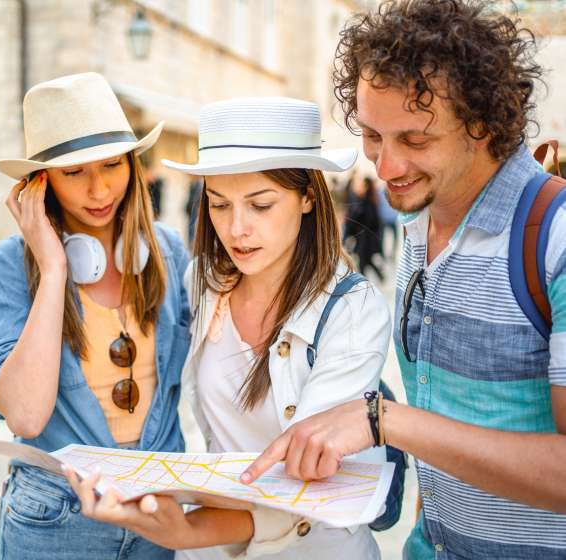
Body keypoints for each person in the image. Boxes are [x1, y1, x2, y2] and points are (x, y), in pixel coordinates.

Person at [241, 1, 566, 558]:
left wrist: (383, 420)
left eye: (415, 141)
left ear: (483, 123)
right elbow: (448, 431)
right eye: (371, 135)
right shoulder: (422, 223)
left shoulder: (553, 238)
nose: (385, 166)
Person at [64, 96, 392, 559]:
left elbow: (309, 489)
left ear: (307, 198)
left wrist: (189, 531)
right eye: (218, 205)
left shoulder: (354, 311)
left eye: (260, 205)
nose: (237, 229)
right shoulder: (201, 281)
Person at [0, 73, 191, 560]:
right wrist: (53, 268)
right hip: (56, 516)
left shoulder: (167, 252)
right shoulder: (9, 266)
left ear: (134, 166)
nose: (99, 190)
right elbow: (26, 416)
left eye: (112, 165)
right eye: (74, 172)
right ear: (40, 183)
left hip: (154, 508)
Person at [344, 176, 385, 281]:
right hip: (363, 240)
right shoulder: (366, 201)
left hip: (366, 240)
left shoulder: (367, 203)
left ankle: (364, 285)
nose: (359, 187)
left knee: (363, 263)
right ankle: (378, 277)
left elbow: (372, 222)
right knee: (366, 262)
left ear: (366, 187)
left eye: (362, 185)